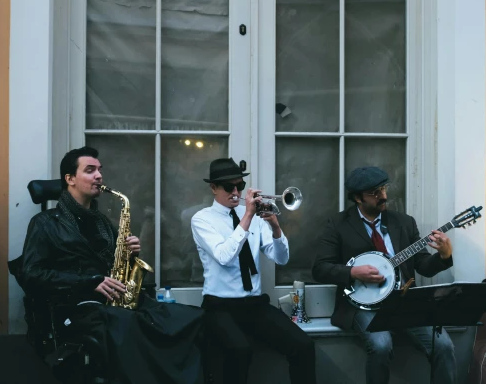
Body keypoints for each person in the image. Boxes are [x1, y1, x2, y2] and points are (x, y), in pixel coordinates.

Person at [11, 146, 204, 384]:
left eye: (99, 170)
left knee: (185, 319)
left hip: (113, 305)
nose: (99, 175)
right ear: (70, 179)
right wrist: (89, 282)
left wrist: (130, 254)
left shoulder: (103, 223)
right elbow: (32, 274)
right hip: (76, 308)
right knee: (133, 329)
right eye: (90, 170)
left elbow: (117, 268)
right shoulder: (44, 223)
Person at [312, 166, 456, 384]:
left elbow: (423, 265)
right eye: (375, 192)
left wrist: (443, 257)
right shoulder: (338, 225)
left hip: (404, 300)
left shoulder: (404, 222)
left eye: (384, 189)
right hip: (361, 305)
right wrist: (353, 272)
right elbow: (320, 269)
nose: (384, 196)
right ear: (358, 198)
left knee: (444, 345)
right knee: (381, 345)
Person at [190, 158, 317, 384]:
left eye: (239, 185)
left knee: (304, 346)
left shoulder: (256, 220)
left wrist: (276, 227)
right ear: (213, 188)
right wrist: (247, 216)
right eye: (229, 187)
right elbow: (224, 256)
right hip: (219, 306)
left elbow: (282, 258)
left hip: (253, 304)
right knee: (240, 351)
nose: (236, 192)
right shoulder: (202, 219)